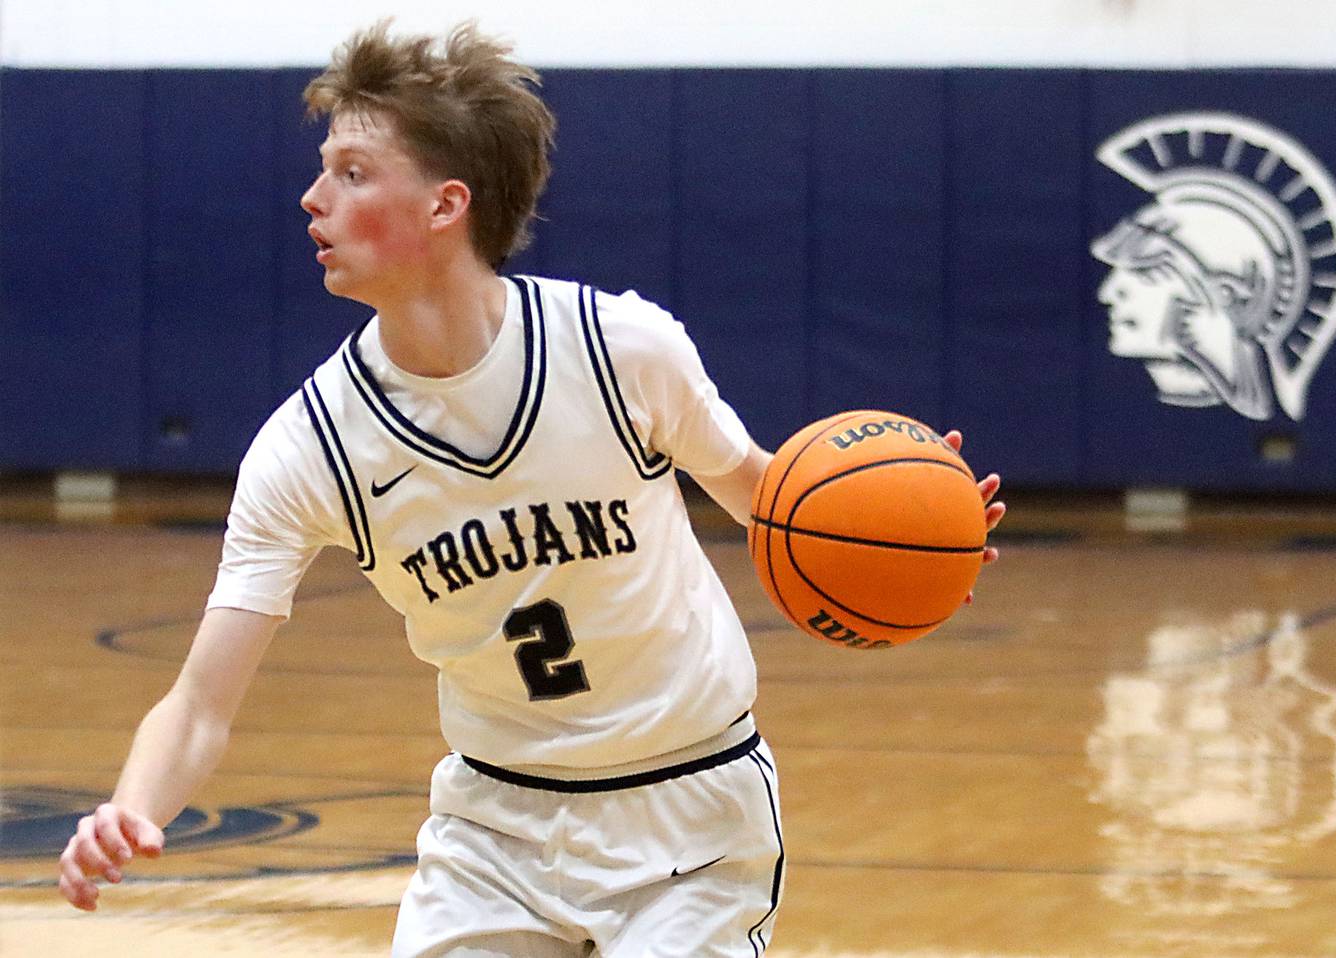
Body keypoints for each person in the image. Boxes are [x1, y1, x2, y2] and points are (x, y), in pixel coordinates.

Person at [57, 19, 1005, 956]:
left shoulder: (621, 351)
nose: (312, 199)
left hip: (690, 809)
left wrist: (914, 536)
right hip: (493, 829)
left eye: (351, 171)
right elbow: (200, 701)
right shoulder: (310, 450)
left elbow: (769, 499)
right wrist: (130, 808)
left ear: (445, 205)